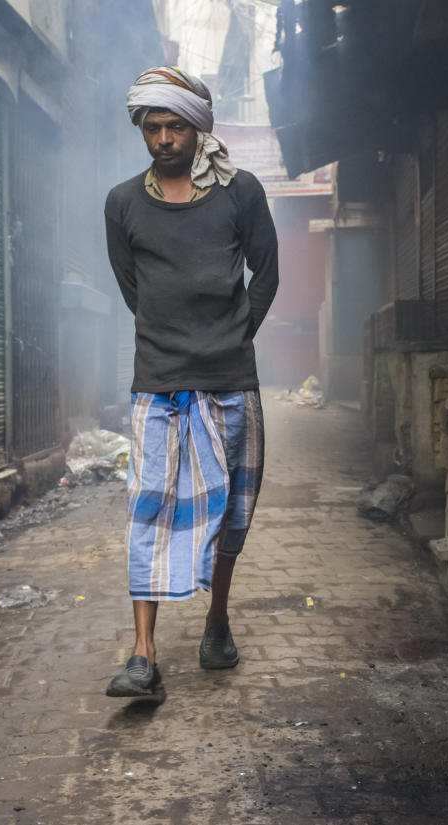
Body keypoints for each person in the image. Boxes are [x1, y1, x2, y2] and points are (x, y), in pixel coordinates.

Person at [103, 67, 278, 698]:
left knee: (232, 507)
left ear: (199, 129)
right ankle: (143, 657)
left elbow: (267, 274)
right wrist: (169, 337)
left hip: (232, 380)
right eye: (154, 127)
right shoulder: (122, 203)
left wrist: (234, 335)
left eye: (176, 125)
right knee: (150, 506)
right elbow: (134, 290)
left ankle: (217, 621)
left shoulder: (242, 193)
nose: (164, 138)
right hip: (158, 383)